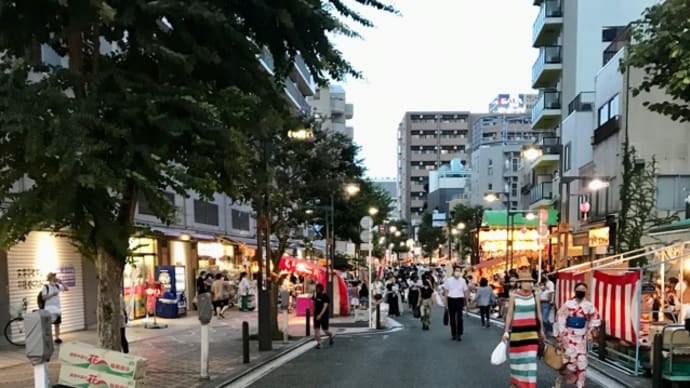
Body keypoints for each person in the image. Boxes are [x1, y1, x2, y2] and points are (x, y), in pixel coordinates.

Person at [553, 282, 601, 388]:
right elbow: (560, 319)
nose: (581, 292)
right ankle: (559, 380)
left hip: (581, 338)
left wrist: (590, 331)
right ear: (575, 291)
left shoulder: (589, 305)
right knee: (568, 364)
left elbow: (595, 319)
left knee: (582, 363)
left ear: (585, 292)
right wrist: (561, 336)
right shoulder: (568, 305)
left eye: (583, 290)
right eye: (579, 290)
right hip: (568, 338)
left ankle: (580, 385)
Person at [502, 269, 544, 388]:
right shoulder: (514, 295)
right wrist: (506, 331)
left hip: (531, 334)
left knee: (531, 363)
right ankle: (516, 383)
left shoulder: (535, 295)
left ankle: (530, 385)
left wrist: (541, 330)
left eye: (530, 281)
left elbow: (539, 313)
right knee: (517, 362)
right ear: (520, 283)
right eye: (526, 281)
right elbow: (509, 314)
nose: (529, 284)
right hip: (517, 335)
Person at [443, 266, 470, 341]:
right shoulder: (448, 280)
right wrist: (445, 303)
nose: (457, 272)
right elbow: (446, 291)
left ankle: (459, 334)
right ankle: (453, 334)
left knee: (459, 317)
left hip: (459, 299)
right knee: (452, 317)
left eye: (459, 271)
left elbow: (465, 291)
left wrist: (467, 302)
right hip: (451, 299)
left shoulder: (463, 281)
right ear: (453, 271)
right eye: (456, 270)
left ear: (460, 272)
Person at [41, 272, 69, 344]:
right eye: (54, 277)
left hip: (57, 308)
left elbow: (66, 288)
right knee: (48, 324)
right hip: (48, 308)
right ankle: (48, 338)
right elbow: (43, 298)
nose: (55, 278)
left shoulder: (57, 286)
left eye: (55, 277)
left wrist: (61, 282)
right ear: (50, 278)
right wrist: (52, 294)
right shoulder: (46, 287)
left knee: (57, 323)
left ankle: (57, 338)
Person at [312, 283, 334, 349]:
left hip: (324, 315)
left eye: (318, 289)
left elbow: (325, 307)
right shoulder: (315, 295)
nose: (316, 290)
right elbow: (313, 303)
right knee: (316, 330)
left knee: (325, 330)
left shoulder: (325, 296)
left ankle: (331, 335)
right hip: (316, 315)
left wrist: (320, 315)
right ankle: (319, 343)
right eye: (316, 289)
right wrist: (314, 311)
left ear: (321, 289)